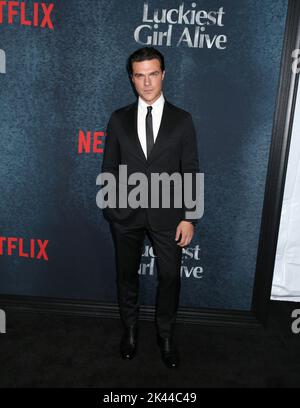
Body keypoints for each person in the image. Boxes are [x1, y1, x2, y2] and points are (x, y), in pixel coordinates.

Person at [101, 47, 200, 369]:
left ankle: (166, 334)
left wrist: (190, 216)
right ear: (132, 78)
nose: (147, 83)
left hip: (168, 215)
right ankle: (130, 331)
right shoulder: (118, 119)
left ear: (163, 75)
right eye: (140, 76)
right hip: (125, 215)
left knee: (170, 277)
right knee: (126, 276)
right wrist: (113, 209)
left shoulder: (182, 120)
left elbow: (191, 169)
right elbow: (110, 167)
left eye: (153, 74)